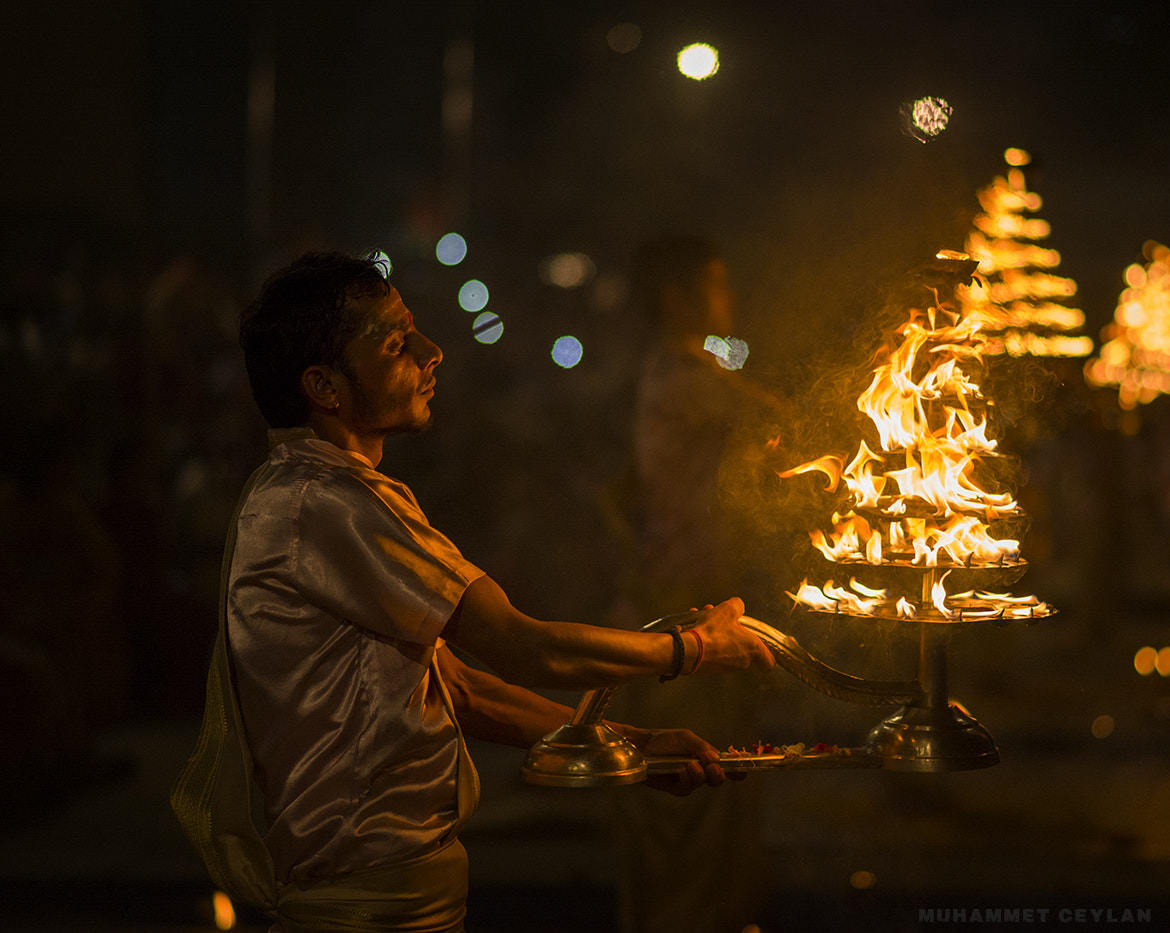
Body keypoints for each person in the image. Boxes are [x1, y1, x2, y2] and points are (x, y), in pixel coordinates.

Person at [171, 250, 774, 933]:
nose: (434, 354)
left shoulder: (326, 493)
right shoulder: (325, 500)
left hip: (398, 890)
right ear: (325, 386)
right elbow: (522, 647)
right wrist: (692, 648)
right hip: (363, 898)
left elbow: (459, 688)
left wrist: (633, 742)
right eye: (398, 344)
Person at [608, 236, 791, 933]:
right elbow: (783, 419)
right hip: (676, 633)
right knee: (688, 822)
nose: (729, 297)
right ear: (677, 297)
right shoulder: (682, 377)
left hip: (696, 624)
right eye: (715, 284)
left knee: (718, 822)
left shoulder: (685, 370)